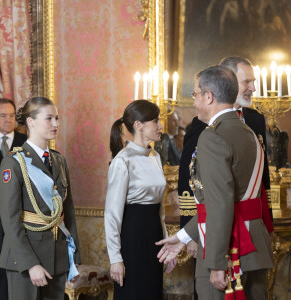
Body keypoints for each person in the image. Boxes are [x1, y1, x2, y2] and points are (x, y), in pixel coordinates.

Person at [157, 65, 274, 300]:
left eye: (196, 94)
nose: (195, 101)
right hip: (255, 248)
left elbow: (220, 203)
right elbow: (237, 199)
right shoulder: (249, 132)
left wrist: (218, 261)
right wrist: (183, 237)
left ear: (208, 97)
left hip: (228, 249)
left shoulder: (212, 136)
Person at [0, 97, 80, 300]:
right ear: (30, 122)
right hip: (26, 261)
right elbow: (10, 220)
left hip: (57, 258)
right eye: (49, 118)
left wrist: (74, 257)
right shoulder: (14, 162)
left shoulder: (59, 160)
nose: (56, 124)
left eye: (57, 118)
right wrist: (30, 264)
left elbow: (67, 211)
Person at [179, 56, 273, 228]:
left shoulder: (256, 119)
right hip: (214, 223)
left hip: (252, 220)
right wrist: (190, 231)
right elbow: (189, 178)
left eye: (253, 81)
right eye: (247, 82)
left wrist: (268, 221)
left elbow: (262, 177)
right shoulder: (200, 125)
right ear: (228, 81)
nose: (253, 88)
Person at [105, 100, 176, 300]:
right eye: (155, 121)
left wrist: (166, 246)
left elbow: (160, 209)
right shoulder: (122, 161)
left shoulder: (155, 156)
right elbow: (112, 214)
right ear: (138, 125)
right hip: (132, 239)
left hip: (153, 236)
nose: (161, 126)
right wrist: (115, 258)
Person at [0, 98, 27, 300]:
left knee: (20, 271)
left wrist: (11, 201)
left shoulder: (26, 142)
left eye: (12, 116)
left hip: (20, 217)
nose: (8, 120)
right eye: (3, 116)